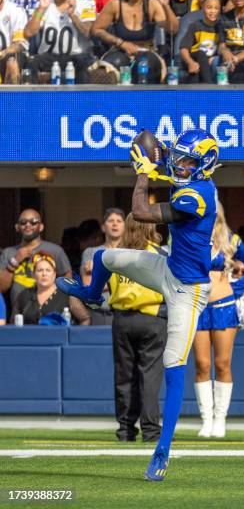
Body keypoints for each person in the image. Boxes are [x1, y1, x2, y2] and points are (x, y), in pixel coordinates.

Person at [56, 128, 219, 481]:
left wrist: (143, 171)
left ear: (204, 165)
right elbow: (173, 178)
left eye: (187, 160)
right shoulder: (194, 182)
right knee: (104, 257)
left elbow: (140, 212)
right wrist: (156, 165)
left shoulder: (199, 196)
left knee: (174, 368)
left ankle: (162, 451)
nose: (179, 164)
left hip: (187, 292)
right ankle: (91, 294)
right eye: (178, 157)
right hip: (169, 269)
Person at [193, 203, 244, 438]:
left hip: (224, 307)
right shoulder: (189, 235)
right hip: (198, 306)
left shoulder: (231, 239)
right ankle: (206, 419)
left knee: (222, 363)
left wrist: (235, 289)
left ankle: (220, 419)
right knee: (201, 364)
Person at [109, 213, 167, 443]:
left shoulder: (114, 256)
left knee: (124, 376)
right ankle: (151, 431)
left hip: (122, 318)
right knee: (149, 376)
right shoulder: (160, 254)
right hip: (152, 317)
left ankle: (125, 430)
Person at [91, 0, 178, 84]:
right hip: (120, 49)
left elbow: (173, 29)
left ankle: (145, 99)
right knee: (110, 66)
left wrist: (166, 5)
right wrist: (120, 42)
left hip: (146, 51)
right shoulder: (115, 4)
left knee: (144, 65)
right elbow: (96, 29)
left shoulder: (152, 4)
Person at [24, 0, 97, 84]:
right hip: (49, 56)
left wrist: (73, 16)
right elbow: (29, 32)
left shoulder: (85, 3)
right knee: (32, 63)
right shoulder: (45, 3)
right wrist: (41, 9)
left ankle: (83, 100)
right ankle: (33, 99)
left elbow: (88, 33)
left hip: (77, 56)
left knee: (85, 64)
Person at [0, 209, 71, 309]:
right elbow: (1, 288)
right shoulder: (9, 252)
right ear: (17, 227)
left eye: (33, 221)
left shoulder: (55, 250)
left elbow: (68, 281)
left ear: (41, 227)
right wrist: (15, 261)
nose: (28, 225)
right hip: (18, 313)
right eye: (23, 222)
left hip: (49, 312)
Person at [12, 253, 90, 325]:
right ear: (33, 274)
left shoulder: (67, 295)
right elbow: (13, 323)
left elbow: (85, 319)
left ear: (54, 274)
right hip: (29, 339)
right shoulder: (24, 295)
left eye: (48, 270)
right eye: (40, 270)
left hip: (59, 339)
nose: (44, 274)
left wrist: (76, 337)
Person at [81, 208, 126, 325]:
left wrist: (100, 274)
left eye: (119, 221)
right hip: (97, 313)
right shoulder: (91, 252)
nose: (115, 224)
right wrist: (120, 274)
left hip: (124, 313)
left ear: (125, 227)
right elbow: (88, 286)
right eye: (111, 221)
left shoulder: (131, 252)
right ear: (103, 227)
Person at [179, 0, 221, 84]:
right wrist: (190, 62)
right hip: (194, 57)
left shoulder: (220, 27)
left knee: (197, 71)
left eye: (216, 8)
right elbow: (183, 49)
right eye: (209, 8)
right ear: (203, 8)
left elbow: (223, 47)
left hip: (209, 60)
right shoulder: (195, 26)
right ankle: (209, 86)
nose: (213, 11)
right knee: (201, 55)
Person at [0, 0, 27, 84]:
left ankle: (11, 99)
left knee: (11, 62)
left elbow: (18, 43)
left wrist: (3, 52)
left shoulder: (15, 10)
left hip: (9, 54)